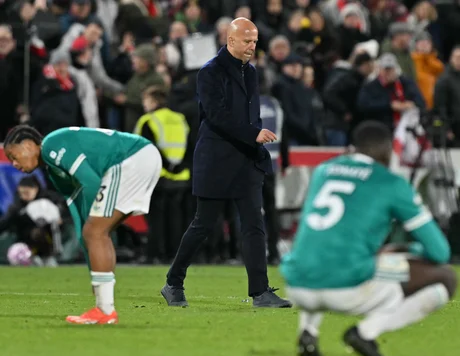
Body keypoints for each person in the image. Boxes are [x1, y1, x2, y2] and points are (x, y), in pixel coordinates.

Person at [280, 121, 457, 356]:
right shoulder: (390, 183)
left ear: (354, 148)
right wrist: (407, 249)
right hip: (345, 289)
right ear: (388, 151)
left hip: (297, 285)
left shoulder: (324, 170)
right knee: (445, 278)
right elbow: (439, 252)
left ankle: (308, 333)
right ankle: (366, 333)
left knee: (324, 248)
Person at [161, 17, 291, 308]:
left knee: (254, 223)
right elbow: (216, 115)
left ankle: (260, 292)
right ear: (230, 40)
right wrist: (253, 134)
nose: (252, 46)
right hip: (216, 158)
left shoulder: (252, 73)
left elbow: (250, 114)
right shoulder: (209, 73)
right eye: (247, 41)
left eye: (255, 41)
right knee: (203, 225)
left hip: (246, 160)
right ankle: (173, 282)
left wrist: (255, 147)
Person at [3, 125, 162, 324]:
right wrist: (90, 255)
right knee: (94, 233)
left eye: (14, 156)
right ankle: (103, 307)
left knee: (95, 231)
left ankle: (104, 310)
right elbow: (77, 212)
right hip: (140, 158)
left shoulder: (51, 145)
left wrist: (91, 230)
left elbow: (91, 183)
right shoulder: (53, 172)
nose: (14, 163)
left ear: (28, 145)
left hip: (131, 158)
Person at [134, 86, 191, 264]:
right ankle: (174, 254)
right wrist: (179, 166)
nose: (144, 104)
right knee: (176, 218)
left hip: (158, 176)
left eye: (146, 100)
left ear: (154, 101)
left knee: (156, 218)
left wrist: (167, 165)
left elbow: (147, 149)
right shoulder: (180, 119)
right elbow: (190, 145)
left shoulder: (148, 120)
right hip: (181, 176)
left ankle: (154, 254)